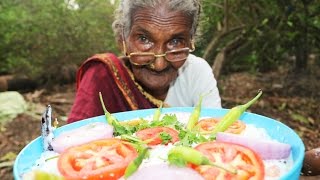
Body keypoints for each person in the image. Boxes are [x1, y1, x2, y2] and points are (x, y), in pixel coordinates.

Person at [67, 0, 222, 123]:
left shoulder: (196, 71)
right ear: (123, 40)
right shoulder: (101, 76)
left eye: (175, 41)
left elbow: (215, 136)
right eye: (144, 39)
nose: (159, 65)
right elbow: (75, 147)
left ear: (191, 42)